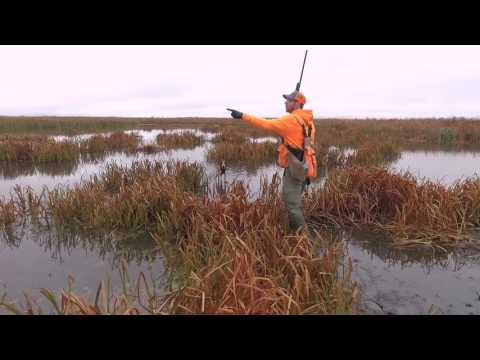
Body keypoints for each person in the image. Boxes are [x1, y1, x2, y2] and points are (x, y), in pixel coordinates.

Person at [227, 90, 317, 234]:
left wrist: (242, 116)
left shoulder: (290, 121)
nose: (285, 102)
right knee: (296, 201)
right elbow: (305, 142)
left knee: (291, 204)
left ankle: (302, 238)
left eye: (288, 100)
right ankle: (295, 231)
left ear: (296, 103)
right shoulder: (308, 121)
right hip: (305, 166)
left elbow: (266, 124)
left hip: (295, 168)